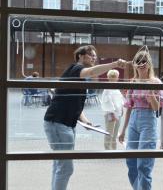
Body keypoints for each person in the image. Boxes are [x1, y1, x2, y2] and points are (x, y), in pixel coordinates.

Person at [43, 45, 127, 190]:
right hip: (58, 123)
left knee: (60, 165)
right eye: (90, 55)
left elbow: (75, 104)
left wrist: (86, 122)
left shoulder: (79, 78)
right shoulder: (75, 69)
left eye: (95, 55)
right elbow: (93, 71)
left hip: (65, 124)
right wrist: (114, 64)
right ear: (80, 56)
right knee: (66, 168)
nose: (94, 57)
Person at [119, 50, 163, 190]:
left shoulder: (156, 82)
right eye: (138, 61)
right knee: (131, 162)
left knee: (143, 165)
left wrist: (151, 95)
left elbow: (157, 108)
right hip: (134, 120)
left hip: (148, 120)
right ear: (134, 65)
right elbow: (129, 107)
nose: (141, 64)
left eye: (144, 61)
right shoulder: (133, 81)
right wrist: (123, 131)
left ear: (149, 63)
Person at [101, 69, 124, 150]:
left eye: (116, 76)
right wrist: (112, 112)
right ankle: (107, 149)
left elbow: (120, 100)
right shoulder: (107, 88)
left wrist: (121, 110)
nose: (115, 78)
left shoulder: (116, 88)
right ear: (109, 77)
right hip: (111, 114)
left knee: (115, 132)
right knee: (109, 132)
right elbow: (107, 102)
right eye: (113, 76)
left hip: (118, 113)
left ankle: (114, 149)